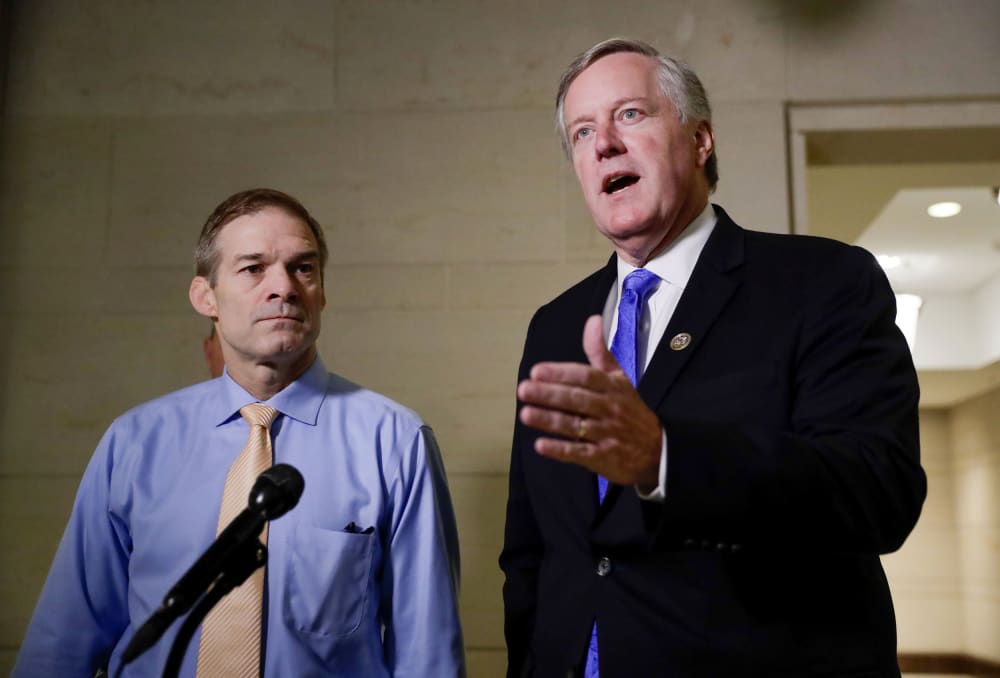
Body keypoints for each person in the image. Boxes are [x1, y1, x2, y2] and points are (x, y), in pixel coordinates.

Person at [499, 38, 926, 678]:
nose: (603, 144)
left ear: (700, 140)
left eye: (630, 115)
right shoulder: (557, 326)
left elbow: (877, 491)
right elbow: (532, 548)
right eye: (582, 131)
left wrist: (665, 458)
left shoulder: (823, 280)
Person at [14, 188, 466, 677]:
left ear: (323, 291)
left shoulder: (395, 443)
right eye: (254, 269)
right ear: (204, 296)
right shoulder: (135, 443)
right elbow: (61, 645)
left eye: (303, 268)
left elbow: (427, 657)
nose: (285, 288)